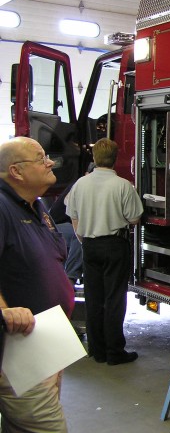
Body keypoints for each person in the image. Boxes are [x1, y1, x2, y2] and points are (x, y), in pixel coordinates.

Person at [0, 136, 75, 433]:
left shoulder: (37, 206)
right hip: (20, 352)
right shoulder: (2, 208)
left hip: (46, 345)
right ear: (16, 171)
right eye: (41, 158)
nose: (50, 162)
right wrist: (4, 310)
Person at [65, 138, 143, 365]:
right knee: (114, 299)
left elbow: (73, 214)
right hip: (115, 245)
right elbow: (134, 218)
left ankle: (97, 350)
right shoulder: (123, 186)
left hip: (89, 246)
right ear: (115, 158)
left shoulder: (80, 184)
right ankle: (115, 352)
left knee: (94, 297)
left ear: (94, 157)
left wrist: (82, 237)